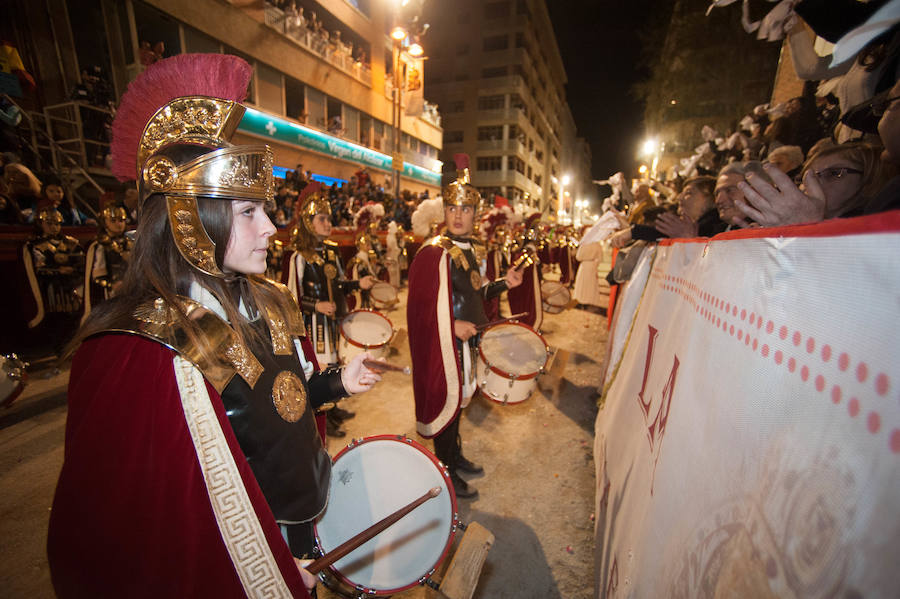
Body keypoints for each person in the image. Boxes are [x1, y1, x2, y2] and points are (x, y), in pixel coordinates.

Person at [46, 53, 383, 598]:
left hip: (306, 526)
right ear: (190, 219)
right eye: (248, 212)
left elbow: (283, 404)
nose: (272, 228)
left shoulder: (272, 302)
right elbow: (142, 537)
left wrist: (338, 382)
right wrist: (259, 569)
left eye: (264, 210)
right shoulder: (139, 349)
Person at [407, 154, 523, 499]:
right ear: (444, 212)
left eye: (466, 210)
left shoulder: (473, 250)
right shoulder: (433, 252)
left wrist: (505, 283)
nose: (458, 215)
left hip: (465, 343)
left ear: (476, 214)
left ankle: (454, 456)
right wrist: (452, 324)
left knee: (460, 403)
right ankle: (444, 470)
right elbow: (420, 307)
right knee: (448, 401)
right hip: (445, 345)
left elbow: (479, 292)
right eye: (453, 209)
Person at [283, 183, 376, 437]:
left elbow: (339, 285)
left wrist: (358, 283)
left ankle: (334, 408)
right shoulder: (297, 256)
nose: (328, 223)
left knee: (335, 363)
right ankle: (323, 415)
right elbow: (289, 298)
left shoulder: (332, 252)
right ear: (307, 221)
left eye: (328, 219)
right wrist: (316, 305)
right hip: (313, 325)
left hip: (332, 322)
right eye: (322, 219)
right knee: (318, 367)